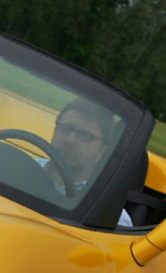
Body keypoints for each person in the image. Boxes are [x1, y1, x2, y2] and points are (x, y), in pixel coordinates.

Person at [47, 97, 133, 227]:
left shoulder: (109, 217)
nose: (70, 140)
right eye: (65, 128)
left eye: (85, 136)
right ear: (54, 130)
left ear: (102, 152)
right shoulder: (21, 168)